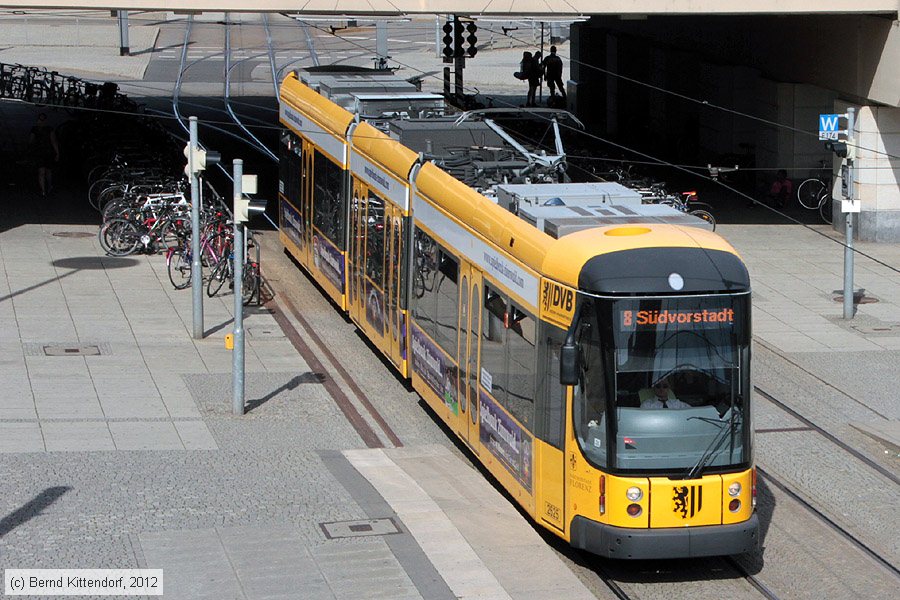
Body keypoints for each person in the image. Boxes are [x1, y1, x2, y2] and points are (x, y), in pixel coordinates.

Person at [29, 113, 59, 197]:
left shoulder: (48, 129)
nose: (40, 122)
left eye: (42, 120)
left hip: (47, 152)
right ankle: (43, 190)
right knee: (42, 171)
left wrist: (57, 153)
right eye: (40, 120)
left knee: (47, 171)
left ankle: (48, 186)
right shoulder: (35, 129)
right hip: (41, 153)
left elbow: (53, 141)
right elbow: (31, 140)